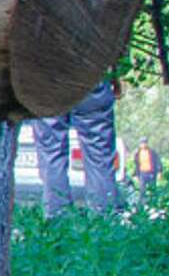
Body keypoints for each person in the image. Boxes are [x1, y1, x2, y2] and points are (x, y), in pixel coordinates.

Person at [31, 79, 119, 216]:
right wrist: (115, 75)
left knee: (51, 153)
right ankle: (104, 220)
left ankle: (56, 222)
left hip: (47, 80)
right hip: (90, 75)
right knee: (99, 153)